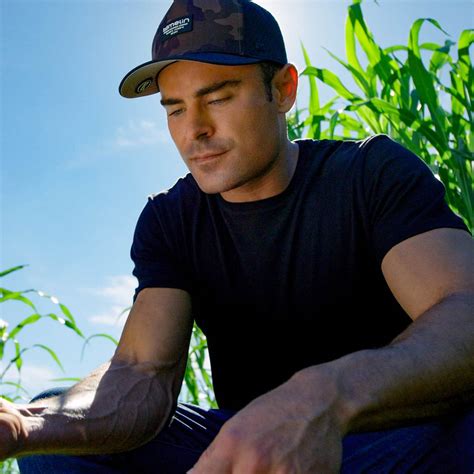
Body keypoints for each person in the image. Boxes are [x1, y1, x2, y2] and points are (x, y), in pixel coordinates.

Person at [2, 0, 473, 472]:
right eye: (175, 110)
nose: (195, 131)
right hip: (242, 449)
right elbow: (143, 372)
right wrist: (23, 426)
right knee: (53, 433)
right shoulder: (170, 219)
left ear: (283, 89)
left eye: (218, 99)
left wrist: (324, 398)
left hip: (392, 437)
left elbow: (464, 309)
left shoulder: (369, 173)